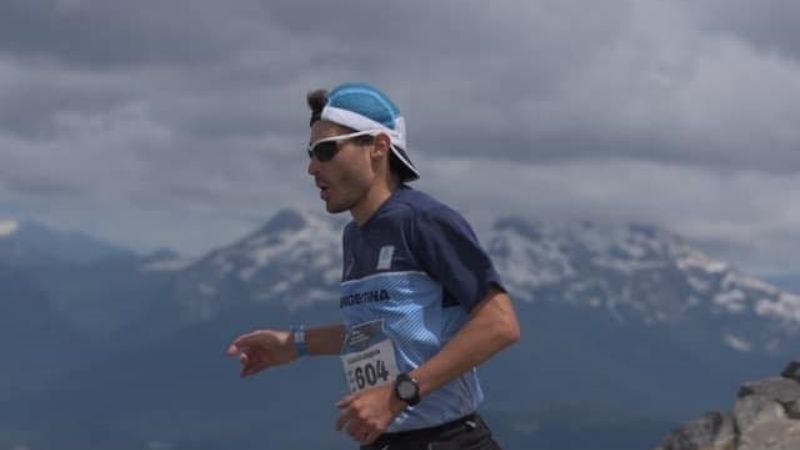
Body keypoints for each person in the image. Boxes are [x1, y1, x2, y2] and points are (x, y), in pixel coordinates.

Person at [227, 82, 520, 449]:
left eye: (326, 151)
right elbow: (379, 330)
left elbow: (500, 324)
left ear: (378, 147)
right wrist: (294, 344)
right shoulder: (355, 236)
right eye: (311, 153)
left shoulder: (424, 221)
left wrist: (397, 395)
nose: (311, 167)